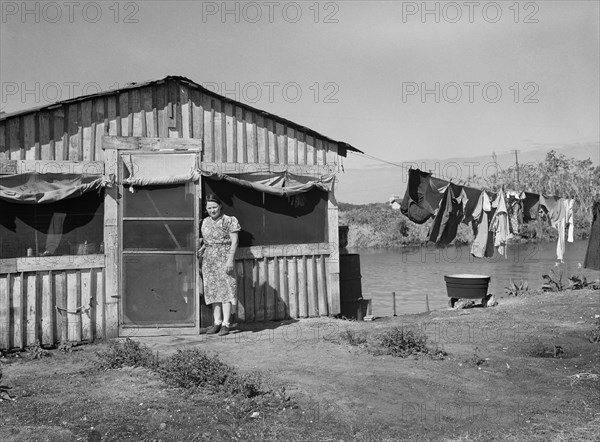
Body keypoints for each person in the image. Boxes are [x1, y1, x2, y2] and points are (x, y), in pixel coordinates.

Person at [198, 194, 240, 336]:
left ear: (220, 206)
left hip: (224, 257)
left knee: (226, 291)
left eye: (214, 207)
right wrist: (202, 250)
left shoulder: (229, 220)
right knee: (213, 291)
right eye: (209, 208)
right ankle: (217, 322)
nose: (212, 210)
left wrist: (230, 260)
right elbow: (205, 241)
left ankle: (226, 324)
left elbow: (234, 242)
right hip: (209, 260)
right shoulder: (204, 222)